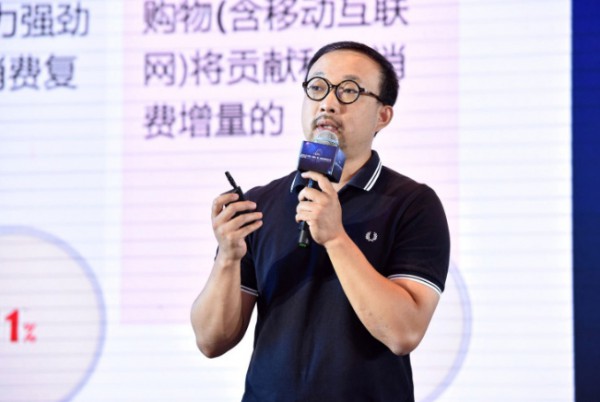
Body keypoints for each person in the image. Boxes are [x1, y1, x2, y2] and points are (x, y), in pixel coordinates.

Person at [190, 41, 450, 402]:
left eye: (349, 91)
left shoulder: (411, 203)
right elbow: (210, 341)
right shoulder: (261, 203)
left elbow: (403, 333)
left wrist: (336, 238)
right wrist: (228, 258)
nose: (328, 103)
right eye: (317, 87)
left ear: (383, 116)